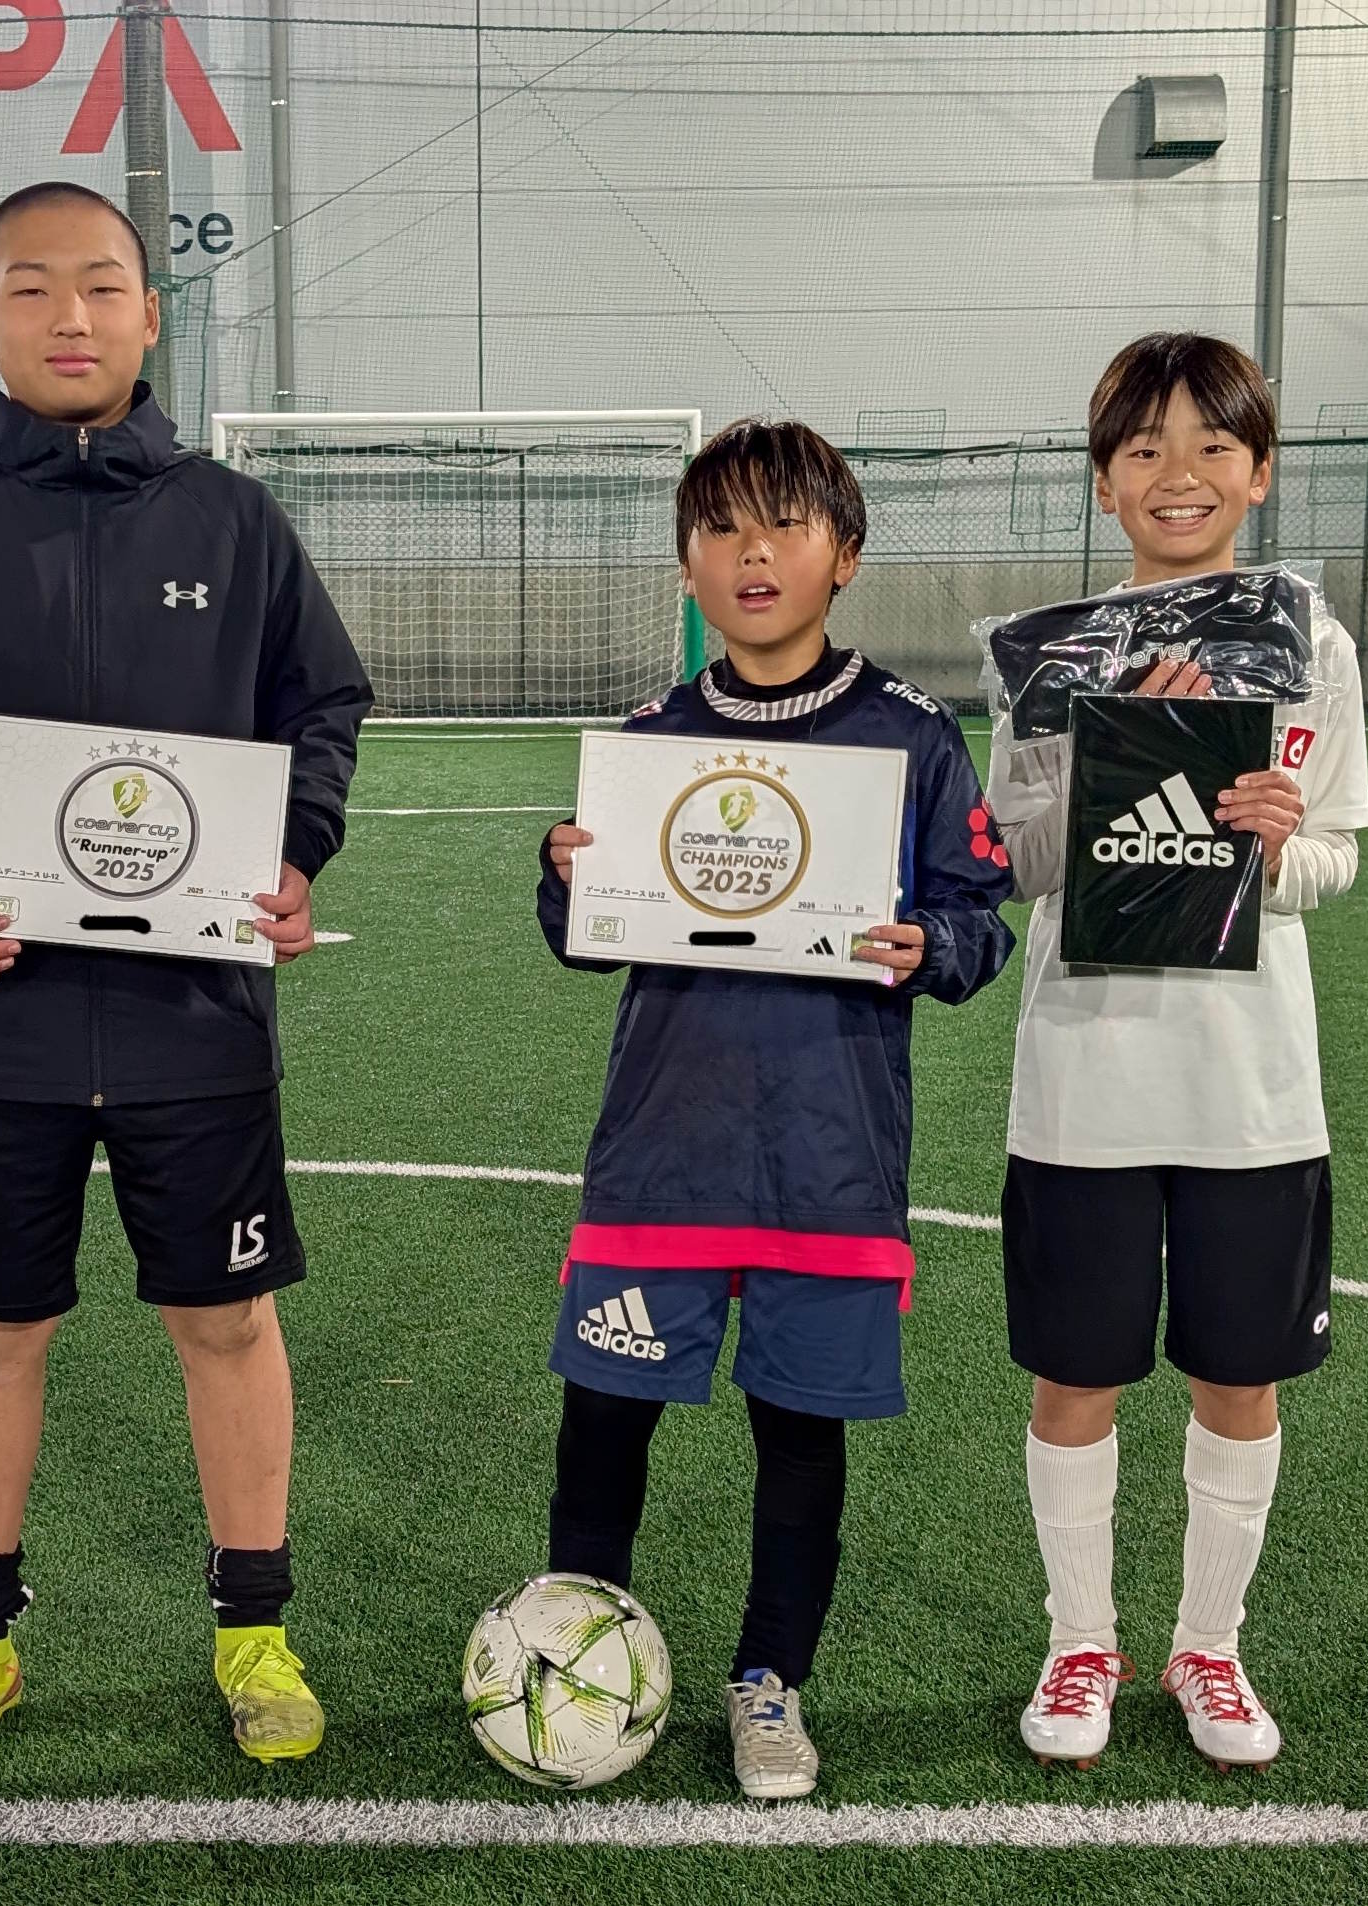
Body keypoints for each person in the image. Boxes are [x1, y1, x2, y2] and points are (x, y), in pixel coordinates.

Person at [0, 180, 372, 1778]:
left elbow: (320, 705)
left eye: (104, 285)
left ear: (148, 314)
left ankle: (253, 1629)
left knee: (226, 1317)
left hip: (199, 1020)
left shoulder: (233, 521)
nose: (72, 315)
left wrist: (294, 852)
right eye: (35, 287)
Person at [534, 418, 1015, 1799]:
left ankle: (768, 1682)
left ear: (841, 555)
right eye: (722, 528)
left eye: (784, 525)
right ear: (686, 563)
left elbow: (979, 918)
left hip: (828, 1156)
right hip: (663, 1149)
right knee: (604, 1420)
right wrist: (564, 875)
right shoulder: (647, 744)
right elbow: (587, 937)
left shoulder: (910, 736)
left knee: (799, 1434)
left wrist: (932, 942)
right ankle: (575, 1659)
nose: (753, 553)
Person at [986, 332, 1368, 1773]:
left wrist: (1273, 847)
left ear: (1259, 473)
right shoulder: (1049, 657)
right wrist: (1112, 761)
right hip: (1083, 1073)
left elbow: (1333, 853)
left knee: (1238, 1377)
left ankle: (1209, 1643)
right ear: (1104, 482)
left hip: (1248, 1087)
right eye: (1143, 446)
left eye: (1214, 444)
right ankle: (1077, 1640)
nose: (1179, 472)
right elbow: (1016, 861)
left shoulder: (1310, 644)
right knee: (1074, 1376)